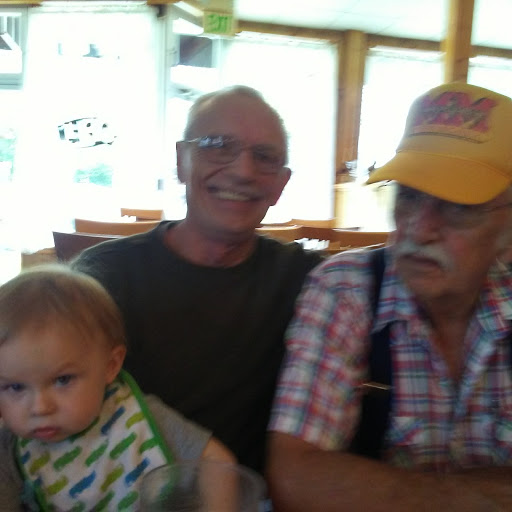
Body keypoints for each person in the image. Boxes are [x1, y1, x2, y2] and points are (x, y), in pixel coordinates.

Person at [267, 82, 512, 511]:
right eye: (409, 195)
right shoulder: (348, 288)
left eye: (458, 204)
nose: (418, 228)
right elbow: (295, 477)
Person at [71, 85, 323, 474]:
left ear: (280, 184)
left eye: (264, 157)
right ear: (181, 161)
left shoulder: (308, 280)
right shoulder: (105, 277)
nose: (243, 170)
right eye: (217, 145)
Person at [0, 265, 234, 511]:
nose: (40, 407)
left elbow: (217, 463)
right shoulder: (9, 450)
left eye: (63, 380)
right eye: (15, 387)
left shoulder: (136, 417)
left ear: (110, 366)